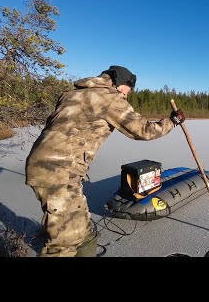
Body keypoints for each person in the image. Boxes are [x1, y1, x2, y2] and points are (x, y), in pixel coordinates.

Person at [25, 65, 185, 257]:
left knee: (80, 226)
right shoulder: (109, 97)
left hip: (44, 166)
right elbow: (144, 130)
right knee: (64, 241)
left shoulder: (70, 95)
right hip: (59, 171)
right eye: (128, 90)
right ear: (121, 83)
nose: (127, 95)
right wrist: (172, 121)